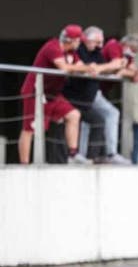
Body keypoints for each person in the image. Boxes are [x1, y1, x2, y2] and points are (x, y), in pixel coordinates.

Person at [18, 24, 96, 164]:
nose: (80, 43)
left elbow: (81, 67)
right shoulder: (52, 47)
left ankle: (73, 154)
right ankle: (25, 164)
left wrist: (93, 68)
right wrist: (87, 68)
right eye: (78, 40)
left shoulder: (71, 53)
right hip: (35, 92)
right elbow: (64, 68)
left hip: (52, 94)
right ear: (70, 40)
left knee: (74, 115)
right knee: (29, 129)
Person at [78, 33, 138, 164]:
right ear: (126, 45)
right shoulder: (114, 45)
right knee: (111, 114)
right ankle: (110, 153)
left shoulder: (126, 56)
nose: (134, 53)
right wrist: (131, 72)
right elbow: (117, 68)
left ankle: (84, 154)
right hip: (90, 89)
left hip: (97, 91)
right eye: (133, 50)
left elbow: (133, 70)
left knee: (90, 120)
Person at [63, 26, 124, 162]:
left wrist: (103, 68)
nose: (100, 45)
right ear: (87, 40)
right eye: (97, 42)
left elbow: (104, 67)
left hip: (89, 98)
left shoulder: (96, 52)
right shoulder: (79, 50)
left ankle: (92, 157)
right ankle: (77, 156)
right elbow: (81, 68)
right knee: (81, 122)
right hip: (75, 97)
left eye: (101, 42)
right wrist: (93, 68)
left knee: (99, 120)